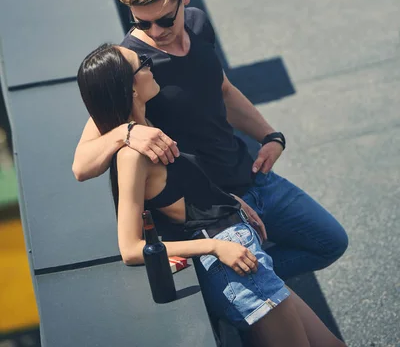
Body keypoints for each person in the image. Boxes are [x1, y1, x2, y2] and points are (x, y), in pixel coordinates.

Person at [73, 0, 348, 281]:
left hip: (252, 176)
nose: (156, 32)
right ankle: (247, 291)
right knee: (263, 289)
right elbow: (82, 165)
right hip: (215, 208)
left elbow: (223, 90)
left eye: (164, 19)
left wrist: (270, 136)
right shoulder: (132, 64)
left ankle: (249, 287)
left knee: (331, 242)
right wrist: (125, 133)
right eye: (142, 22)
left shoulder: (198, 24)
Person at [77, 43, 346, 347]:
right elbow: (131, 248)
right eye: (142, 63)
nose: (149, 64)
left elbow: (188, 187)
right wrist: (216, 247)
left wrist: (235, 203)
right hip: (231, 256)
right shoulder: (132, 156)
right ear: (131, 88)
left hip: (240, 245)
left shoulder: (146, 124)